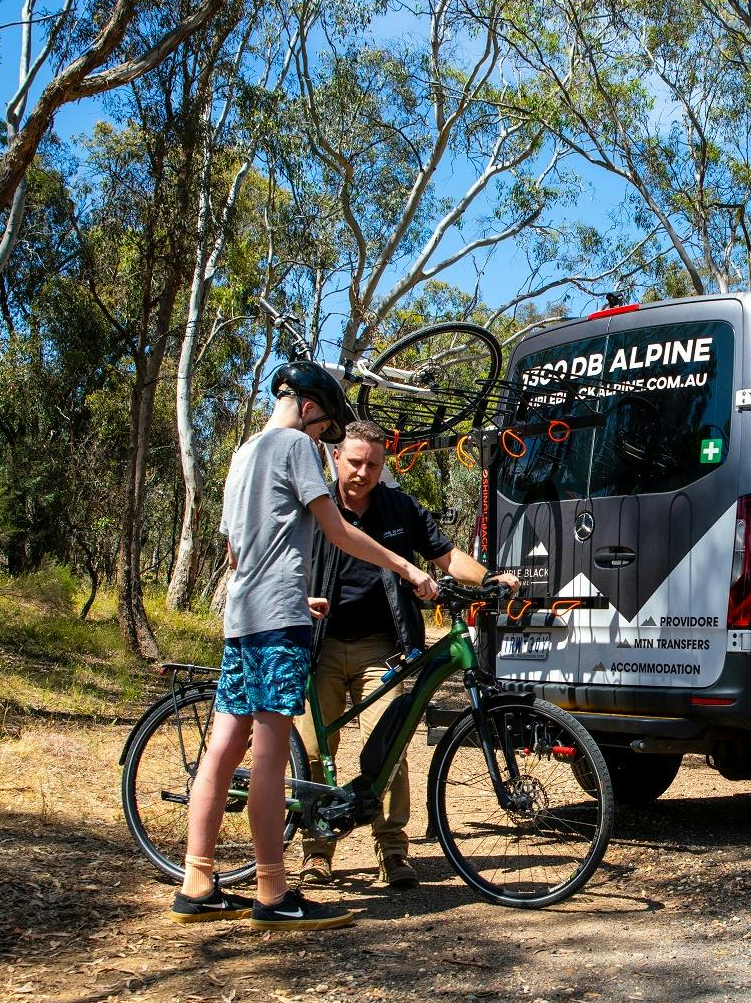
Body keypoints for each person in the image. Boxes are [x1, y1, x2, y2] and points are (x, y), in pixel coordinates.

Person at [172, 362, 439, 931]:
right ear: (311, 408)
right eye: (326, 431)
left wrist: (294, 596)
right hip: (277, 625)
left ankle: (197, 880)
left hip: (241, 619)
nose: (323, 440)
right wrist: (404, 568)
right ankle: (272, 891)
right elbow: (337, 531)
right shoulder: (293, 444)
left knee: (224, 745)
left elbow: (235, 555)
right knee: (271, 752)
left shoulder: (242, 455)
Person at [297, 420, 520, 889]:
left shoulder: (399, 507)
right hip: (321, 646)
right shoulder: (314, 506)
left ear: (383, 466)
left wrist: (490, 578)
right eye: (354, 462)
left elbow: (447, 556)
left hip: (383, 646)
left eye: (373, 465)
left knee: (391, 746)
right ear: (336, 458)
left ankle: (393, 849)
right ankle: (317, 851)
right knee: (317, 751)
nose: (362, 472)